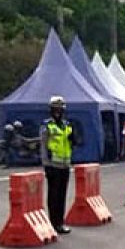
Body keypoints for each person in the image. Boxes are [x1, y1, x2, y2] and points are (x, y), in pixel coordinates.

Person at [39, 95, 79, 235]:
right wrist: (46, 164)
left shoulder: (67, 125)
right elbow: (43, 146)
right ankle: (53, 222)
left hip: (65, 164)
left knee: (62, 195)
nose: (57, 112)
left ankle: (60, 223)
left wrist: (74, 139)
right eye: (55, 109)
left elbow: (72, 143)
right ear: (51, 110)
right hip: (52, 165)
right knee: (53, 195)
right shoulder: (47, 125)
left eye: (60, 109)